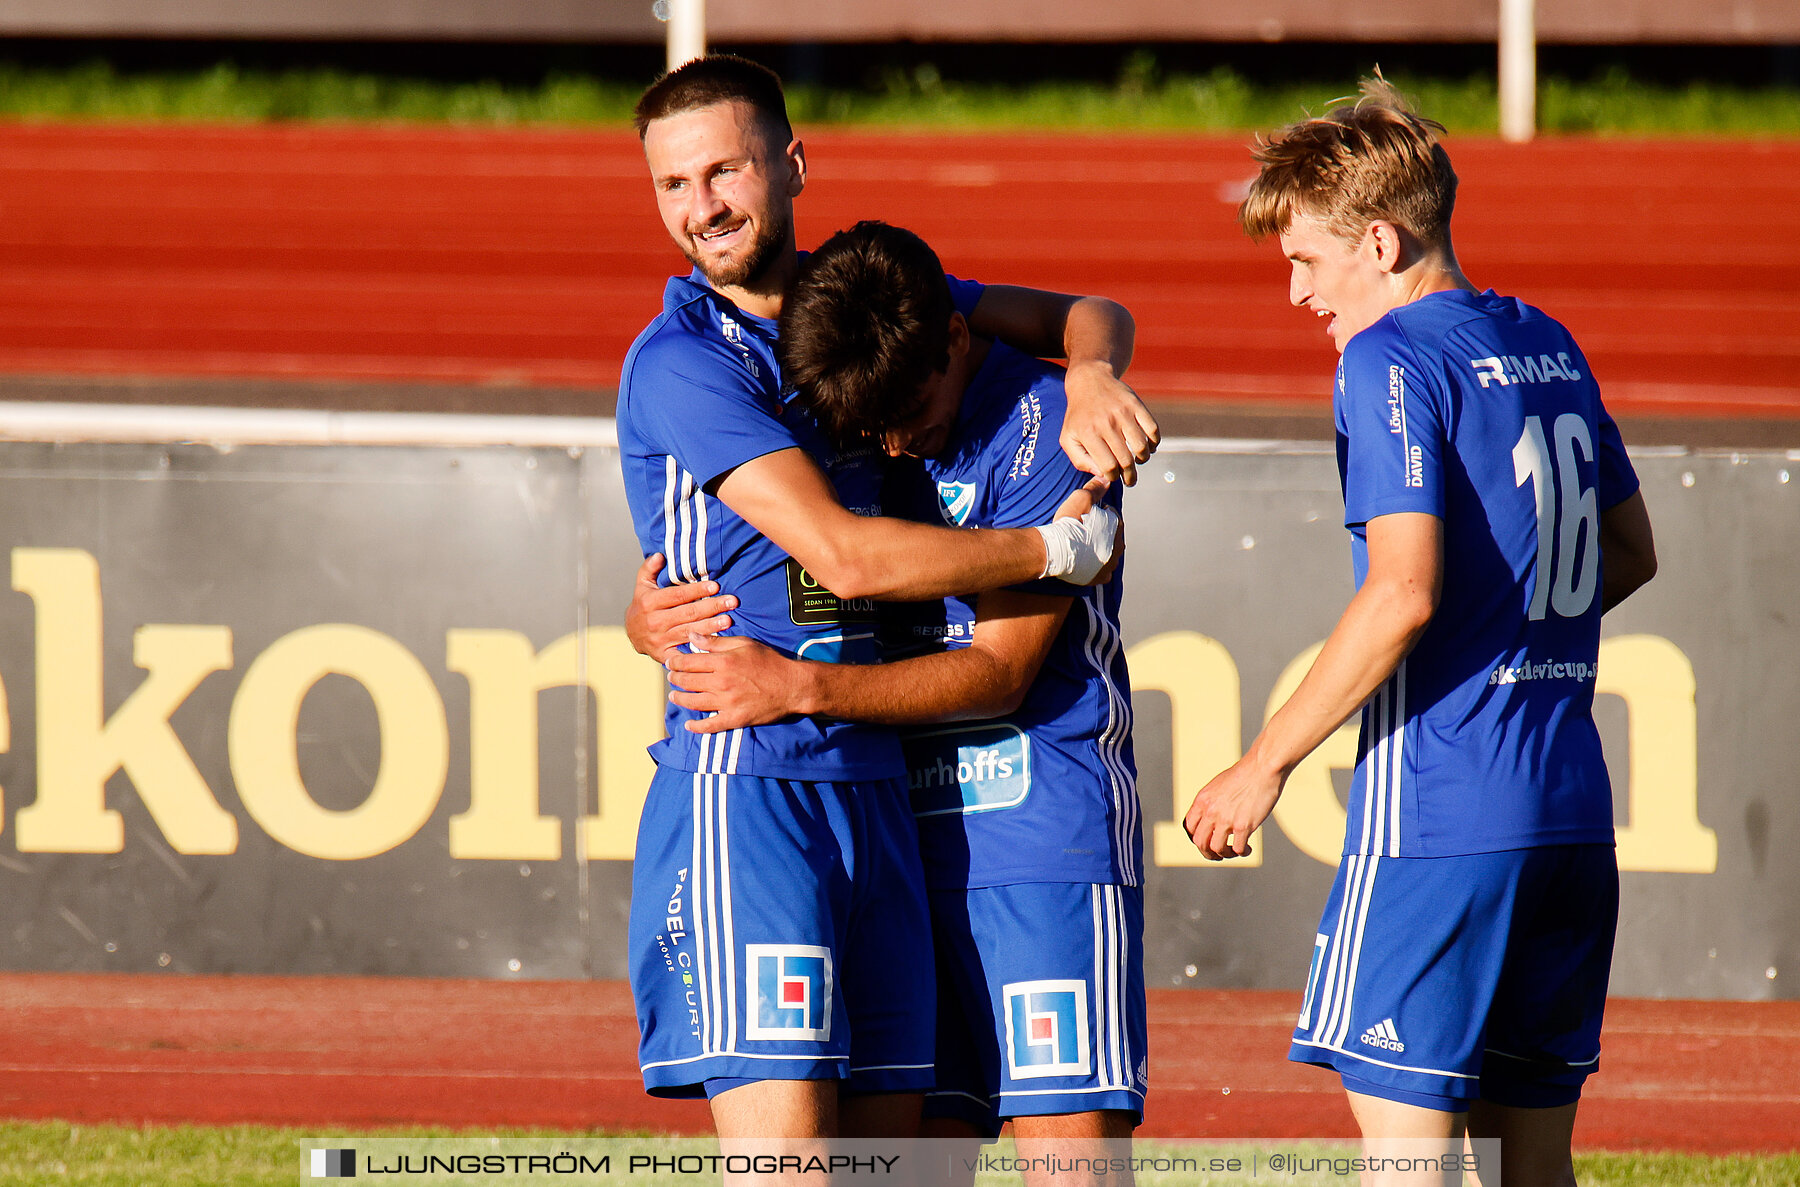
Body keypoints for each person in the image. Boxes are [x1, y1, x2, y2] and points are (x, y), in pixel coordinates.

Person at [619, 54, 1154, 1146]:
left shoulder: (863, 301)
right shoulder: (683, 362)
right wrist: (1052, 548)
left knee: (896, 1160)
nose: (703, 207)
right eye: (674, 186)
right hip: (752, 776)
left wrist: (1093, 371)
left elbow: (1084, 309)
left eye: (723, 171)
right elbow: (847, 558)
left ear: (794, 165)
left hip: (877, 793)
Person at [1181, 78, 1658, 1187]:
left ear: (1382, 242)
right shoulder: (1543, 336)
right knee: (1532, 1162)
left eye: (1306, 260)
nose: (1297, 292)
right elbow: (1631, 553)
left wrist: (1264, 764)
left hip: (1442, 810)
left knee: (1408, 1158)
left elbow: (1400, 593)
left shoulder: (1388, 357)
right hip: (1571, 812)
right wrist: (1514, 631)